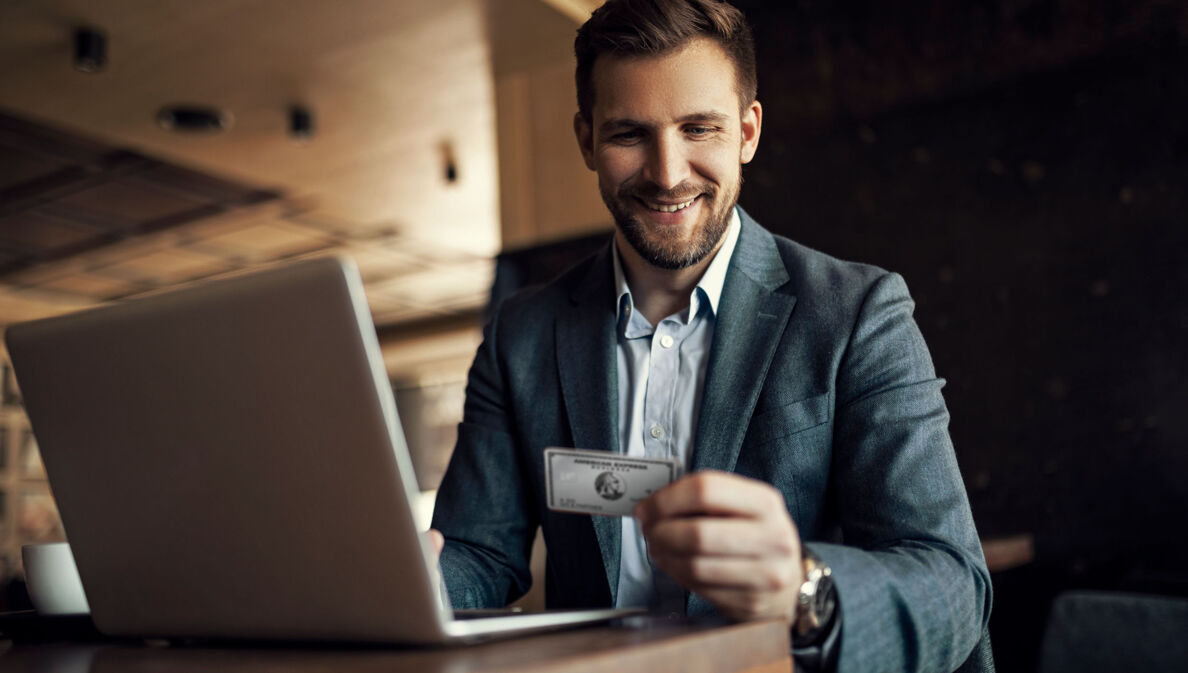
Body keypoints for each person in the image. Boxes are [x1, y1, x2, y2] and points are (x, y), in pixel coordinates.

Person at [429, 1, 993, 671]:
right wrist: (418, 580)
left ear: (747, 132)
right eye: (629, 134)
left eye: (699, 128)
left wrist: (803, 589)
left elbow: (952, 580)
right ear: (586, 141)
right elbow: (479, 554)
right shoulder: (521, 335)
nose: (668, 173)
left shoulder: (858, 313)